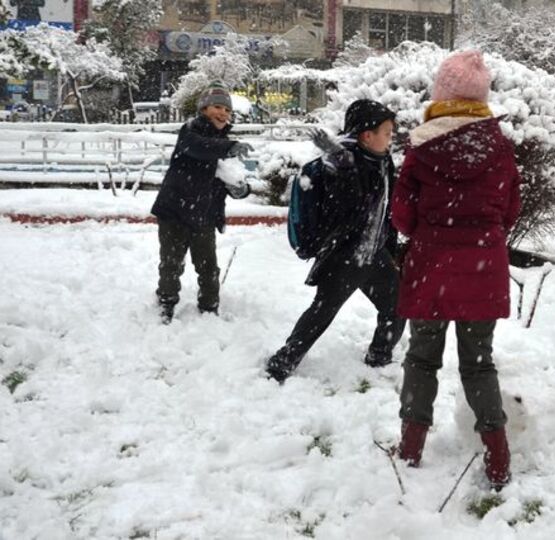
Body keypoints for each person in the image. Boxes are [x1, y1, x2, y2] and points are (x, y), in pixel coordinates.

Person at [391, 50, 521, 490]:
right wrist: (482, 233)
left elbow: (402, 215)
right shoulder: (499, 148)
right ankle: (498, 459)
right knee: (479, 365)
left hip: (431, 266)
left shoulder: (423, 145)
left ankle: (410, 447)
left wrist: (431, 230)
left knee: (422, 358)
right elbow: (510, 210)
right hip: (482, 270)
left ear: (442, 95)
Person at [265, 99, 406, 384]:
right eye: (387, 132)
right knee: (323, 311)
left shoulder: (382, 161)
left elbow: (385, 210)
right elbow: (346, 208)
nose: (391, 139)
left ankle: (379, 356)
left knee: (397, 303)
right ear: (368, 135)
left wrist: (389, 248)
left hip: (375, 253)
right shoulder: (342, 164)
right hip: (346, 256)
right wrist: (345, 170)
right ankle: (282, 362)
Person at [151, 82, 252, 324]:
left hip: (204, 215)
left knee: (208, 267)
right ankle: (166, 301)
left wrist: (240, 189)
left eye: (227, 110)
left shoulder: (224, 142)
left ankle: (209, 306)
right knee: (171, 264)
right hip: (175, 211)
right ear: (204, 109)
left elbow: (232, 178)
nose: (223, 113)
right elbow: (199, 148)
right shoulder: (190, 132)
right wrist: (228, 148)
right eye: (217, 107)